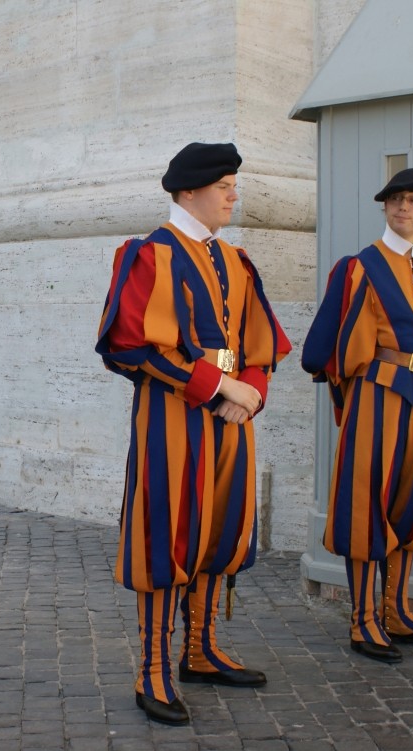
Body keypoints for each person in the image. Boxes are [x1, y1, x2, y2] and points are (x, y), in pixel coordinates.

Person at [96, 142, 291, 725]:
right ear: (187, 192)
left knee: (220, 528)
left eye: (234, 183)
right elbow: (128, 345)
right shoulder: (148, 254)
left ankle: (200, 650)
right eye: (224, 184)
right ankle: (152, 669)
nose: (234, 194)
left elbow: (263, 340)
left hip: (231, 420)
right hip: (173, 417)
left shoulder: (236, 260)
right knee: (169, 532)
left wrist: (250, 392)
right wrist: (218, 386)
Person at [302, 168, 413, 664]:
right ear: (384, 208)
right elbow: (322, 349)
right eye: (396, 200)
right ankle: (363, 621)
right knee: (367, 505)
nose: (404, 208)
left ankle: (396, 610)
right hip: (377, 397)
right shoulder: (359, 268)